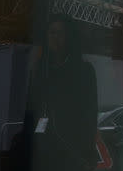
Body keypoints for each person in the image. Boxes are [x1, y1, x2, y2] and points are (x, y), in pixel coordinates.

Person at [17, 14, 99, 171]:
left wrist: (87, 153)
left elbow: (90, 114)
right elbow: (31, 109)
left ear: (69, 37)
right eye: (52, 32)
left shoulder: (84, 71)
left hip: (72, 149)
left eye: (61, 33)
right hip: (43, 150)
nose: (55, 38)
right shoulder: (41, 70)